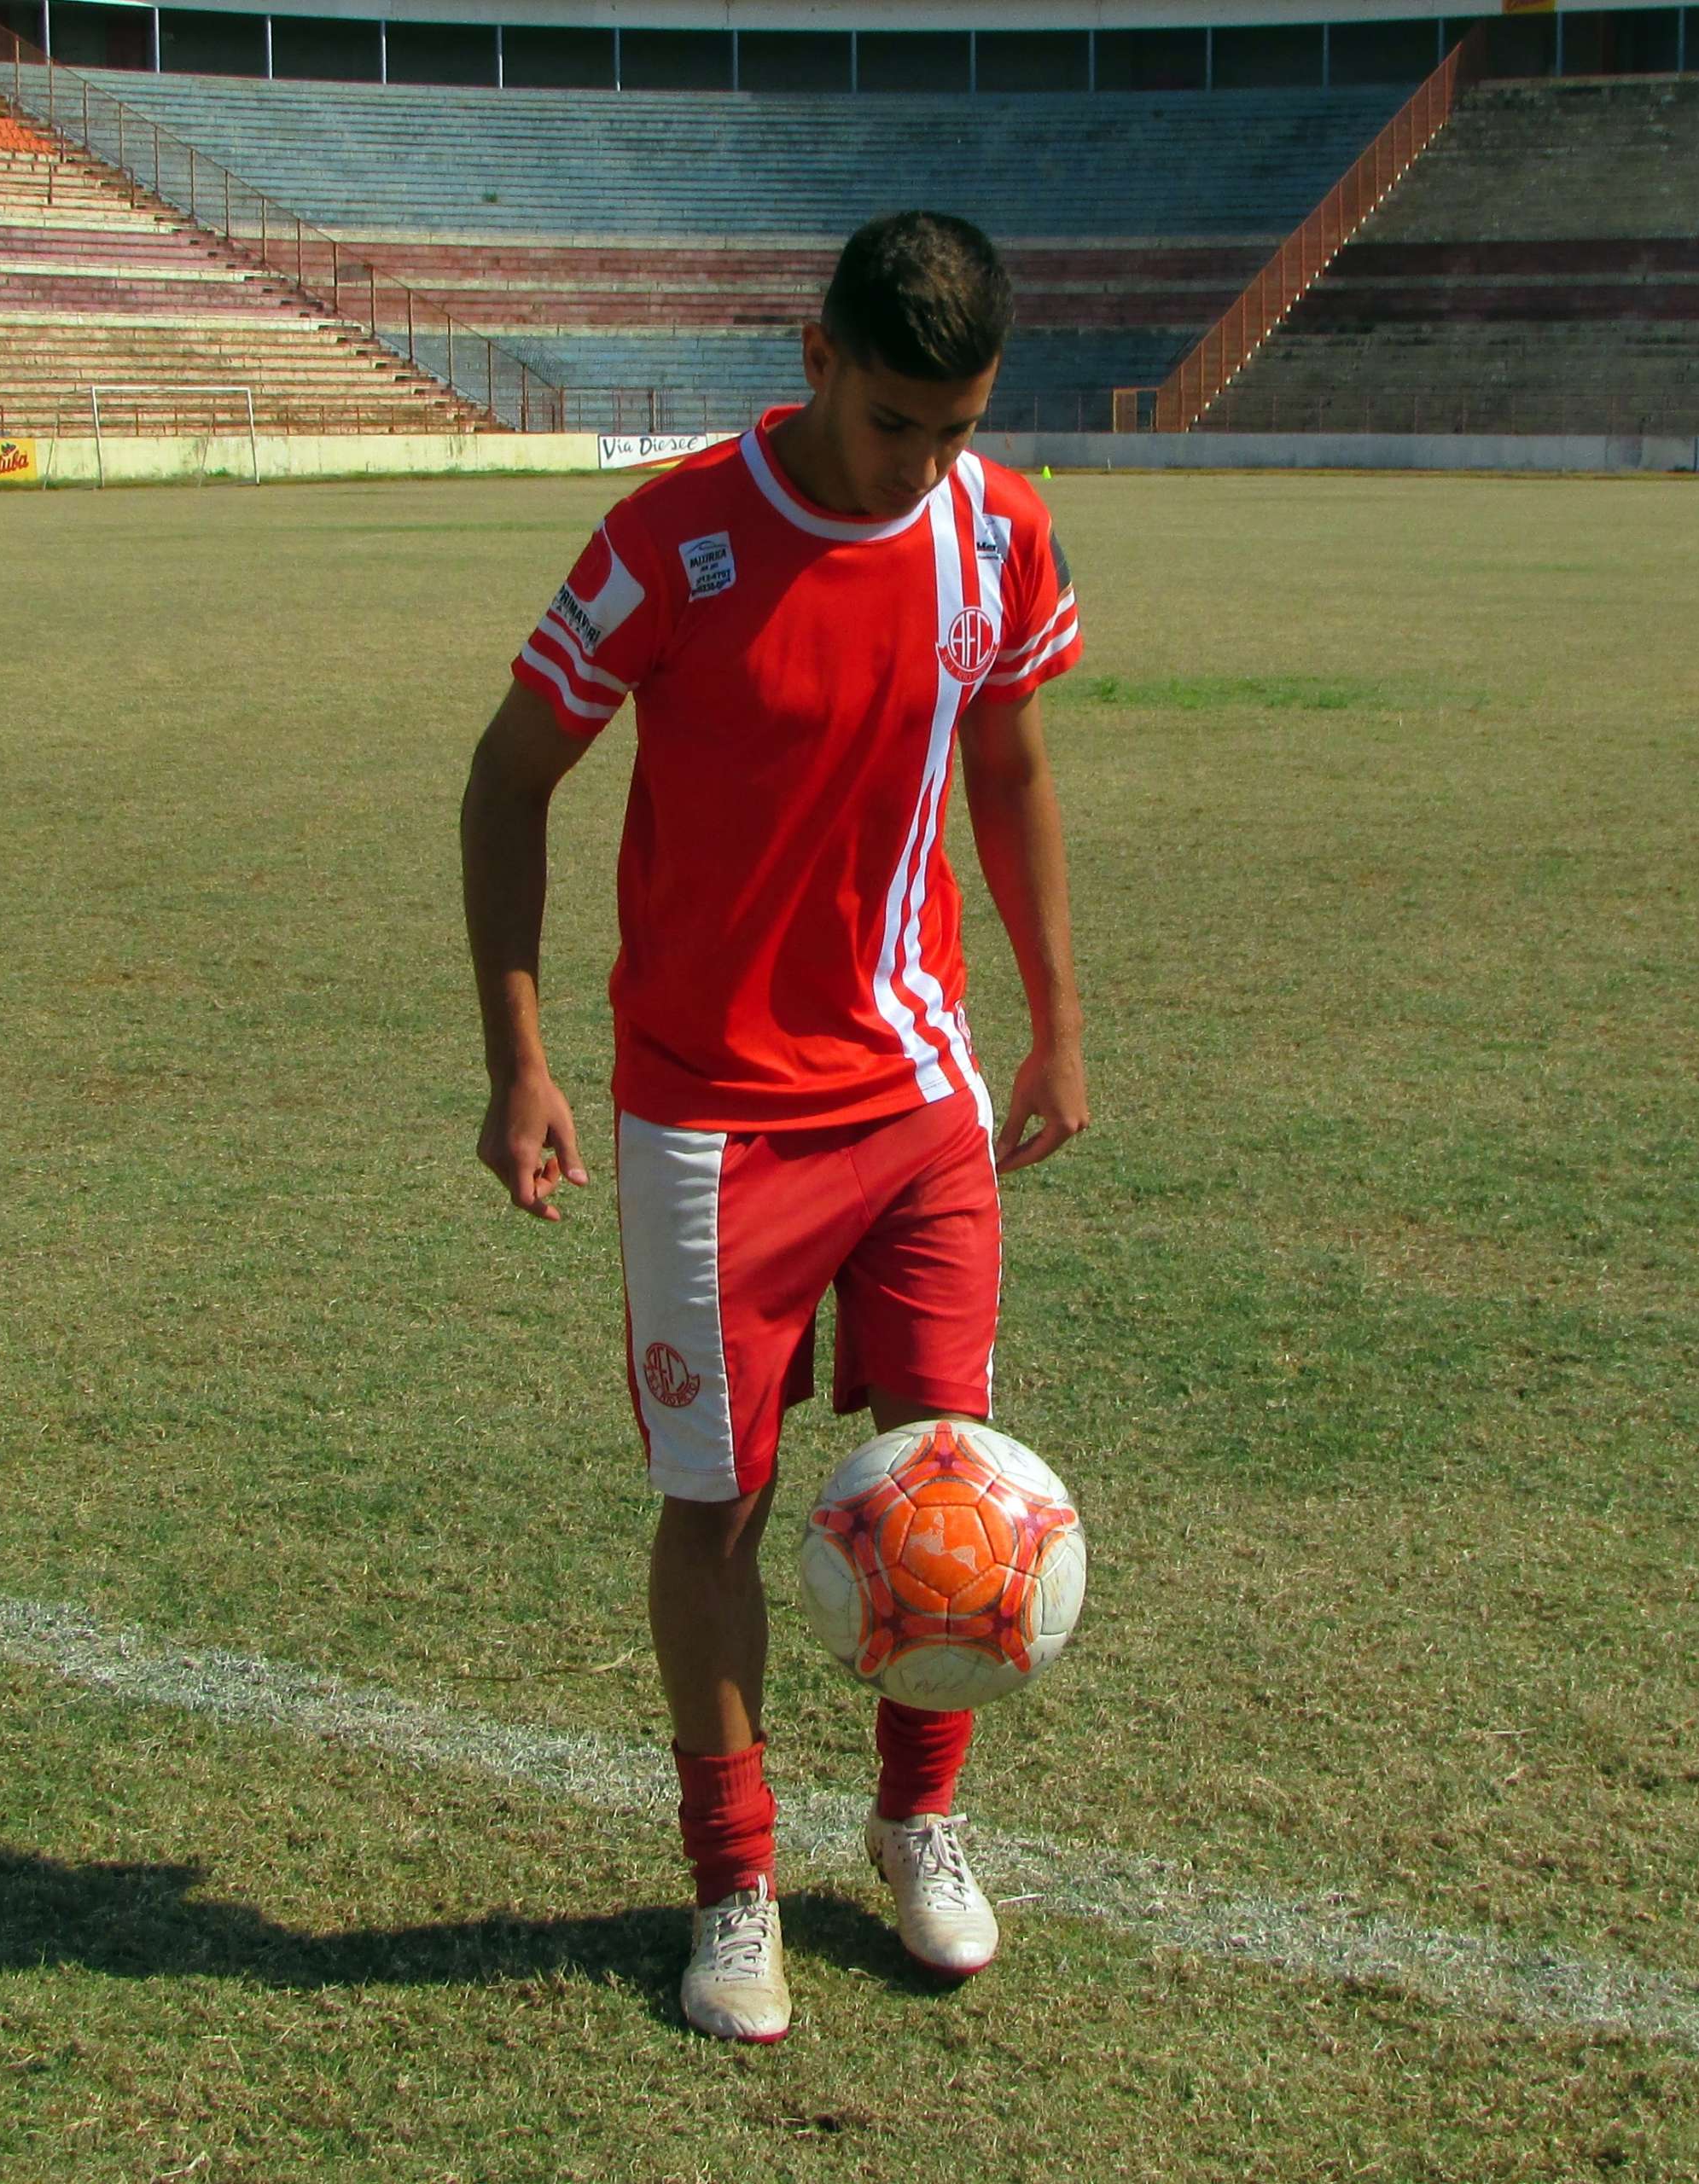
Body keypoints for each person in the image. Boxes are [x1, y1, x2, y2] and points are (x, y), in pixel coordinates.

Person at [461, 209, 1088, 2043]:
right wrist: (516, 1056)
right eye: (897, 421)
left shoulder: (993, 529)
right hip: (707, 1125)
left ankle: (917, 1824)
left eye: (960, 424)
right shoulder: (670, 539)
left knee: (947, 1478)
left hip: (916, 1100)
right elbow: (506, 777)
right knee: (712, 1511)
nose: (927, 462)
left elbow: (1011, 762)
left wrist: (1050, 1027)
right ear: (814, 360)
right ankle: (734, 1882)